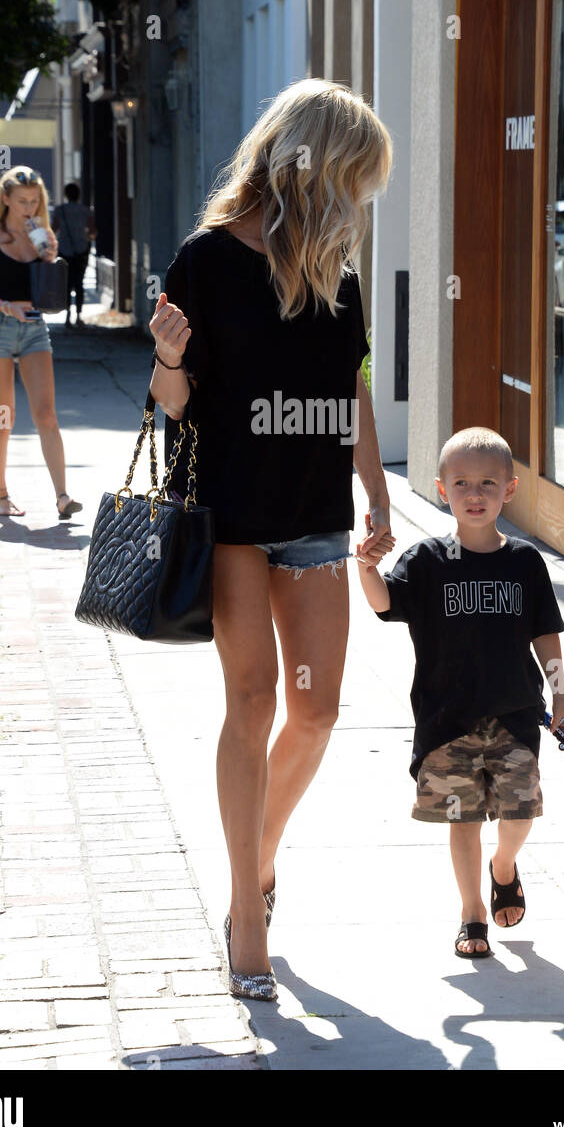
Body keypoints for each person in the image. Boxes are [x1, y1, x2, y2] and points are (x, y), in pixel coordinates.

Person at [148, 78, 395, 1001]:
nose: (357, 199)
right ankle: (246, 918)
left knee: (318, 710)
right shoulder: (205, 262)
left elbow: (353, 389)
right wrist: (172, 357)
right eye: (352, 176)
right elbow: (169, 406)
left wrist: (374, 491)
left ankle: (258, 854)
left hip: (315, 517)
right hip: (233, 517)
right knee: (252, 701)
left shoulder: (336, 272)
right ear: (312, 164)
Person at [357, 426, 564, 959]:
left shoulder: (526, 563)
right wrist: (366, 566)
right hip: (446, 718)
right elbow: (385, 604)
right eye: (461, 484)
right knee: (463, 818)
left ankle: (503, 866)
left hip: (517, 713)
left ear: (510, 488)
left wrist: (562, 695)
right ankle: (471, 912)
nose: (474, 494)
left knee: (520, 812)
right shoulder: (428, 560)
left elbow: (544, 631)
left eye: (486, 483)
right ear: (442, 489)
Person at [0, 166, 82, 520]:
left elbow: (51, 286)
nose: (29, 207)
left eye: (34, 201)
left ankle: (63, 496)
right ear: (5, 200)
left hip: (34, 329)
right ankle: (0, 496)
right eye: (22, 201)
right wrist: (5, 306)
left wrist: (49, 255)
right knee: (4, 417)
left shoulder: (42, 234)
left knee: (46, 414)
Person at [51, 182, 96, 326]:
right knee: (79, 283)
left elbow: (54, 230)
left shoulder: (60, 210)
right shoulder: (85, 211)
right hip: (81, 250)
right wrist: (86, 238)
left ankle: (67, 315)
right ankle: (78, 315)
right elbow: (93, 231)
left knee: (66, 284)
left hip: (64, 250)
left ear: (66, 195)